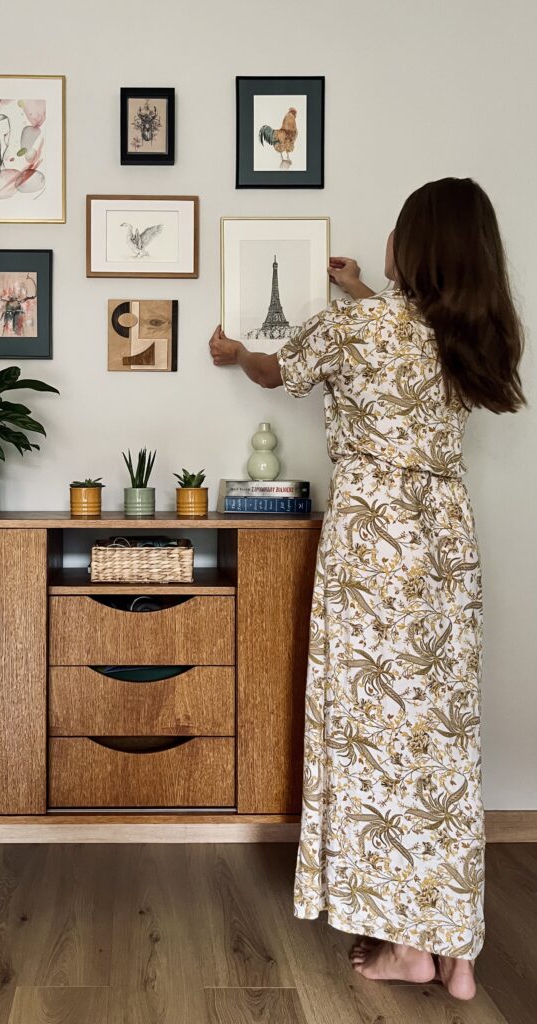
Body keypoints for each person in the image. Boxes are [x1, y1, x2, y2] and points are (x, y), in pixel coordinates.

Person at [208, 178, 525, 1002]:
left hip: (373, 547)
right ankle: (453, 948)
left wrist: (234, 352)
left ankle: (406, 948)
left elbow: (279, 371)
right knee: (438, 746)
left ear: (410, 247)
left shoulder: (357, 330)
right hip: (445, 548)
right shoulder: (472, 338)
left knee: (376, 745)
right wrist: (360, 291)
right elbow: (406, 340)